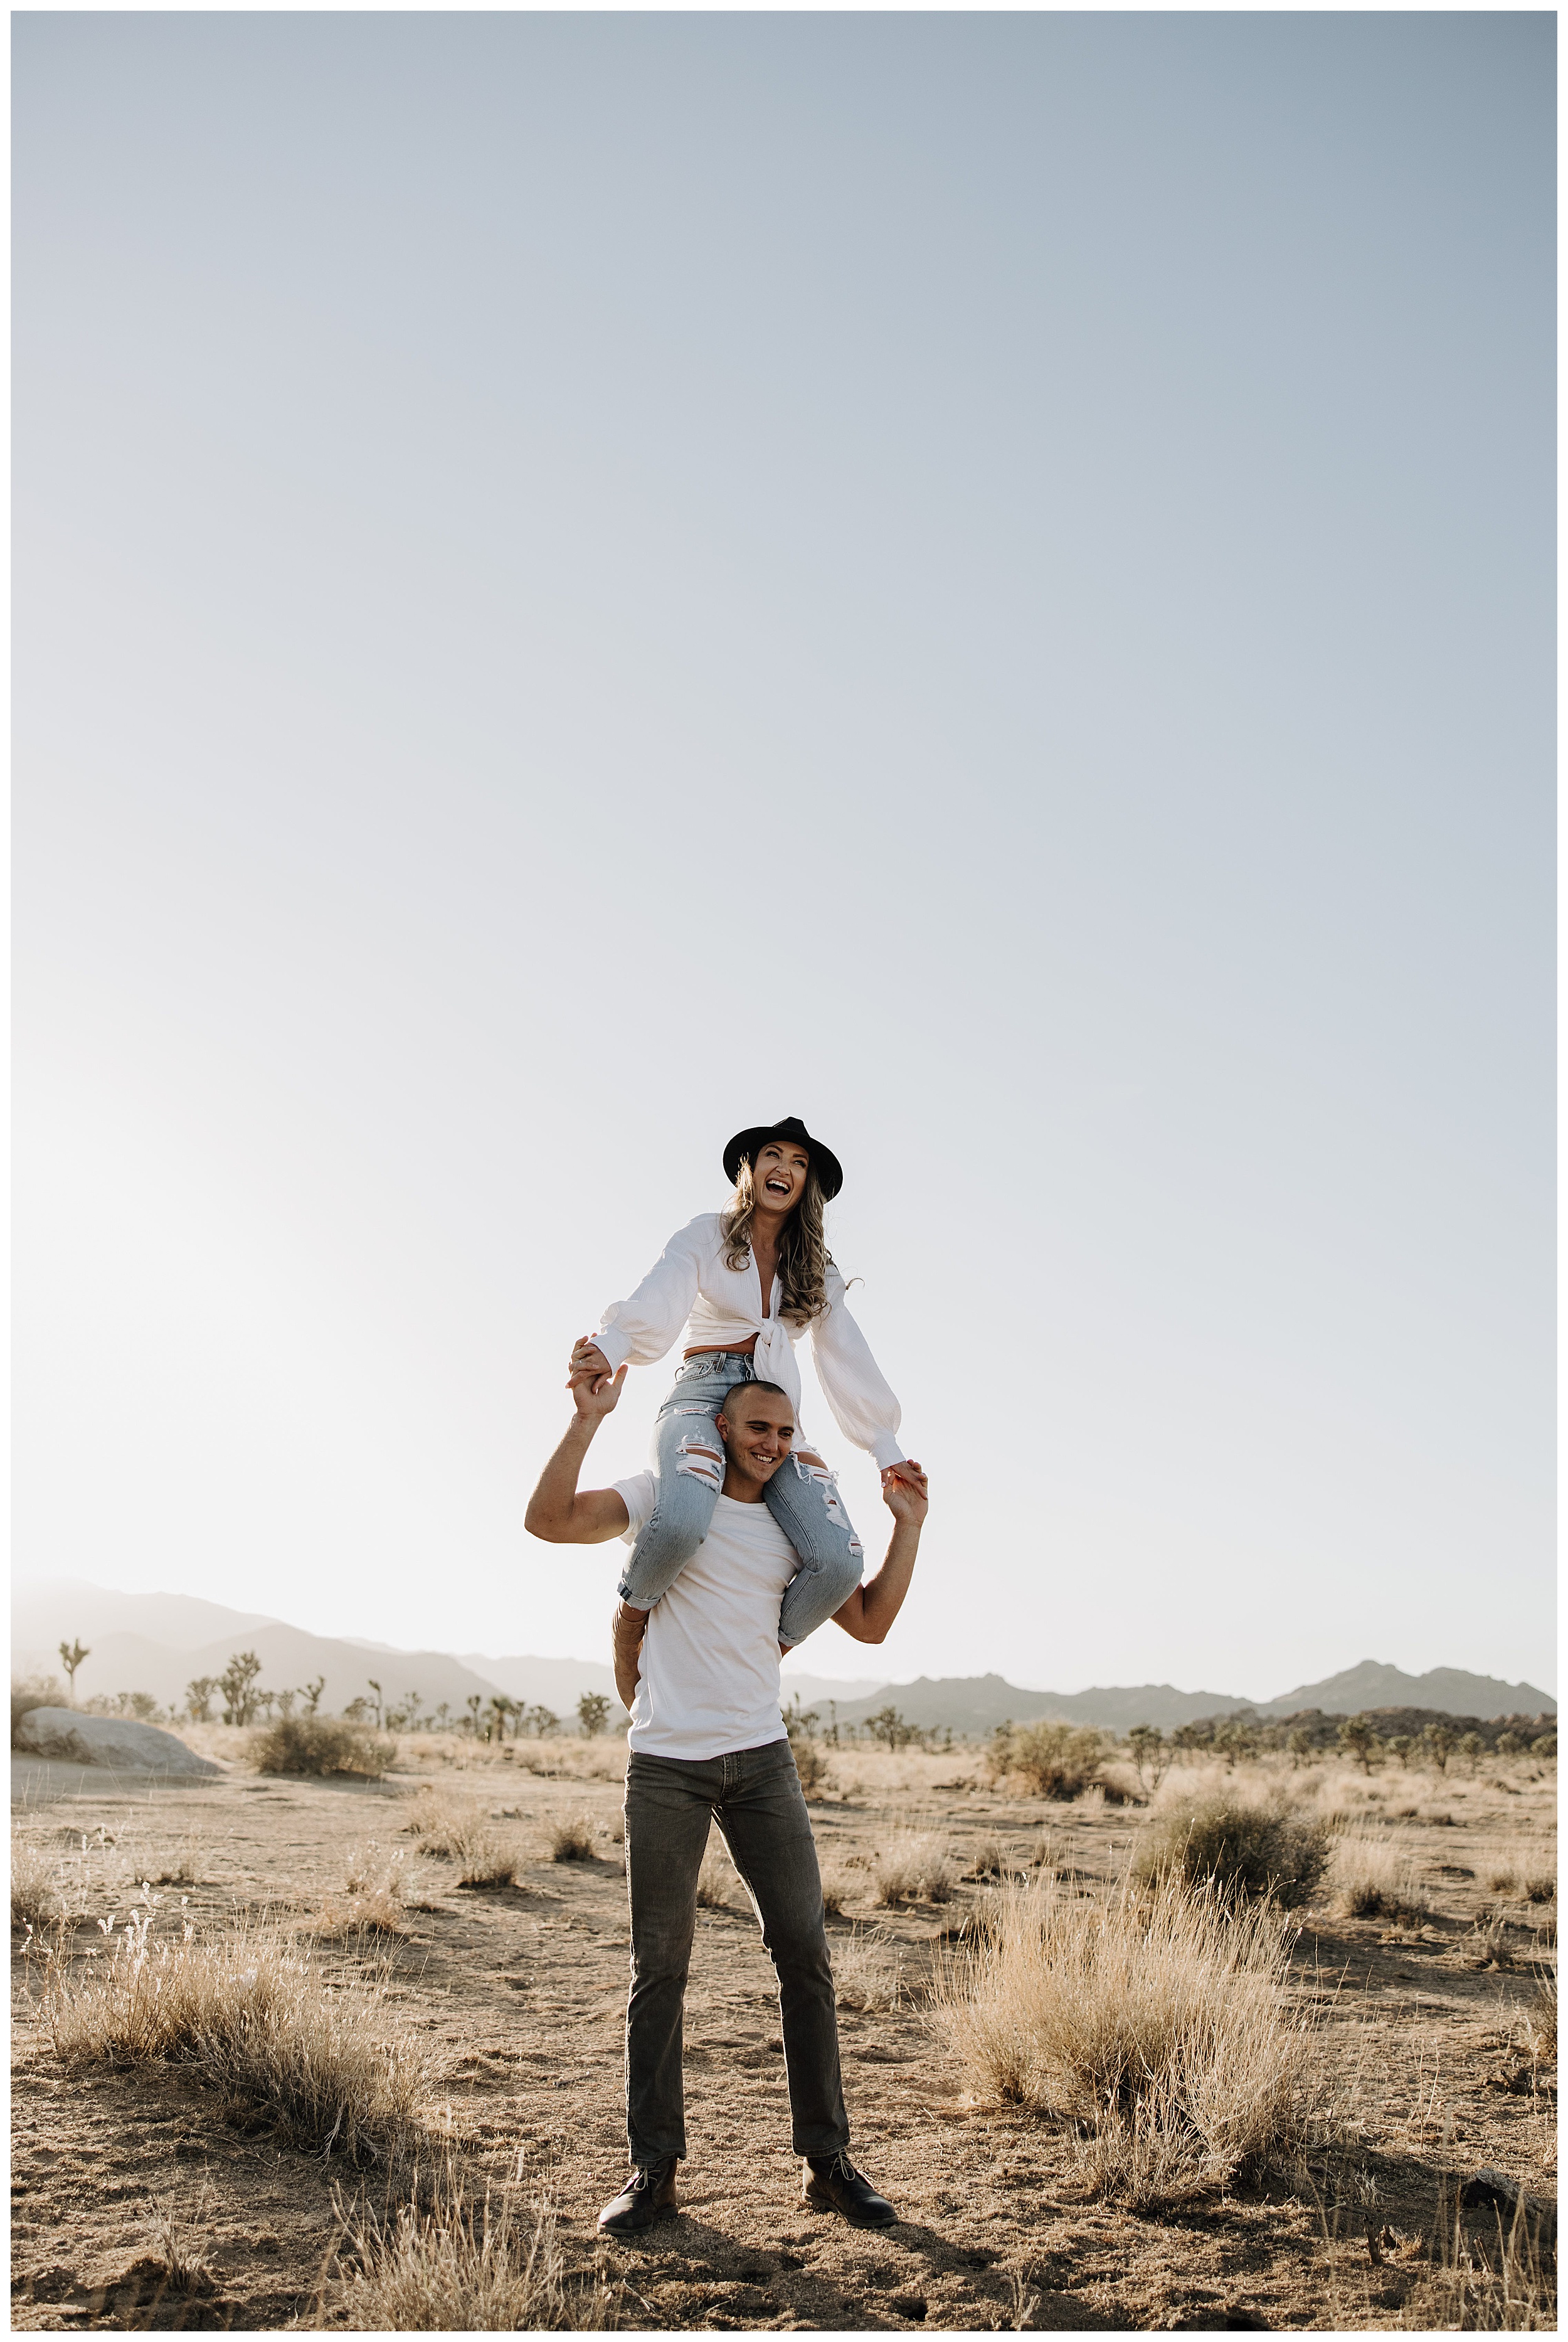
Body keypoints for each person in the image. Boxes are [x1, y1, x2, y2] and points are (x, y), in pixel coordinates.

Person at [524, 1356, 929, 2237]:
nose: (773, 1445)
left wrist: (907, 1528)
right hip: (666, 1763)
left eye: (786, 1433)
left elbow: (872, 1623)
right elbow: (547, 1521)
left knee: (805, 1957)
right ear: (719, 1429)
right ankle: (653, 2170)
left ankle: (828, 2163)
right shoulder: (671, 1496)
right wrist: (587, 1420)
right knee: (659, 1969)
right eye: (758, 1428)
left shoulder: (795, 1530)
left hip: (763, 1762)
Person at [567, 1115, 916, 1706]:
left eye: (799, 1163)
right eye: (772, 1156)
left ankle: (760, 1653)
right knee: (679, 1521)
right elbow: (663, 1293)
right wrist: (614, 1343)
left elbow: (845, 1355)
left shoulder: (816, 1269)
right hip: (705, 1395)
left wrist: (886, 1447)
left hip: (777, 1416)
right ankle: (631, 1626)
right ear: (749, 1170)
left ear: (808, 1184)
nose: (785, 1168)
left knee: (836, 1560)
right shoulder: (708, 1234)